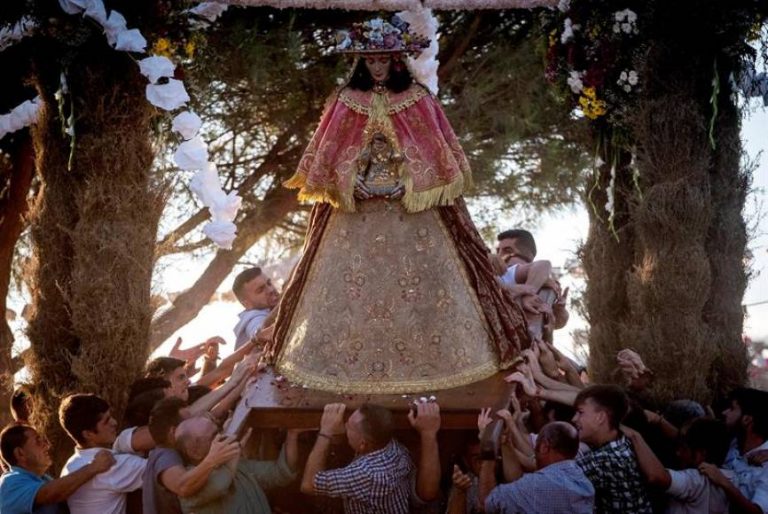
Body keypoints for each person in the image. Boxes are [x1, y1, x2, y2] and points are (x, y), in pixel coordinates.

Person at [267, 14, 529, 395]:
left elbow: (437, 156)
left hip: (412, 214)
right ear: (361, 62)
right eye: (370, 61)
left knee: (423, 289)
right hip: (354, 216)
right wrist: (348, 181)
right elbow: (327, 155)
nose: (376, 67)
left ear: (396, 60)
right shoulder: (344, 101)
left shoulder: (418, 100)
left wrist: (408, 184)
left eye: (383, 60)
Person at [300, 401, 441, 513]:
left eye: (348, 426)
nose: (344, 425)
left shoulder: (366, 474)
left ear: (363, 444)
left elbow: (308, 485)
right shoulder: (389, 443)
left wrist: (326, 431)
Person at [174, 416, 299, 513]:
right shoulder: (191, 485)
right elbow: (219, 485)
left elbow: (281, 473)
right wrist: (230, 455)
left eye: (219, 430)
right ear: (194, 452)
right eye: (214, 435)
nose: (221, 436)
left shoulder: (237, 466)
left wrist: (292, 435)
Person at [142, 397, 240, 514]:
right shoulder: (166, 456)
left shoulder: (167, 452)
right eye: (188, 420)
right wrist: (212, 461)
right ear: (173, 432)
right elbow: (182, 487)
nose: (194, 420)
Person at [479, 420, 595, 513]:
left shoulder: (538, 485)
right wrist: (506, 445)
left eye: (536, 446)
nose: (534, 452)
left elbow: (487, 503)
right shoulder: (580, 480)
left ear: (544, 447)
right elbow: (519, 482)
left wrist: (488, 451)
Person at [58, 394, 147, 514]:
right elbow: (160, 468)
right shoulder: (112, 465)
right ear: (88, 434)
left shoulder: (71, 465)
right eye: (106, 421)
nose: (114, 423)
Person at [571, 385, 652, 514]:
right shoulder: (623, 442)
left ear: (600, 417)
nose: (574, 419)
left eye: (580, 412)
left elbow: (552, 476)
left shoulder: (606, 460)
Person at [0, 424, 115, 514]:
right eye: (38, 441)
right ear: (20, 453)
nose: (46, 445)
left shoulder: (44, 479)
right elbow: (50, 494)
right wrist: (94, 467)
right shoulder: (10, 483)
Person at [712, 387, 768, 513]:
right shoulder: (735, 443)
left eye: (732, 409)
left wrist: (723, 482)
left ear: (747, 419)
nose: (725, 412)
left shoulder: (765, 465)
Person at [232, 267, 279, 350]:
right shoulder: (252, 319)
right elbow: (260, 332)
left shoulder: (269, 308)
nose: (271, 290)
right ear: (247, 304)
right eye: (260, 290)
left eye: (269, 283)